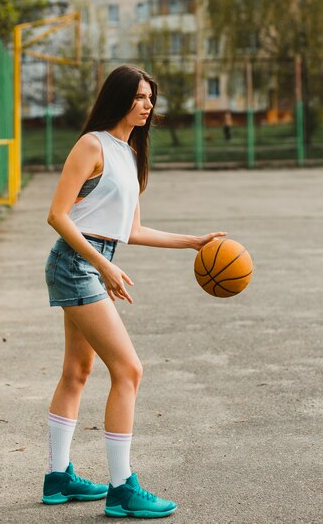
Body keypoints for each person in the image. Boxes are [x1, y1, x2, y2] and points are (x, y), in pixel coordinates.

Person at [42, 65, 226, 518]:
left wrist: (193, 242)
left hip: (93, 260)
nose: (148, 105)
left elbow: (133, 229)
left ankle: (58, 477)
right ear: (120, 98)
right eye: (141, 97)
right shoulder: (92, 144)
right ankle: (122, 488)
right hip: (76, 263)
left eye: (151, 99)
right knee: (129, 370)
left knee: (76, 372)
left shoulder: (128, 153)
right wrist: (102, 264)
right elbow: (58, 215)